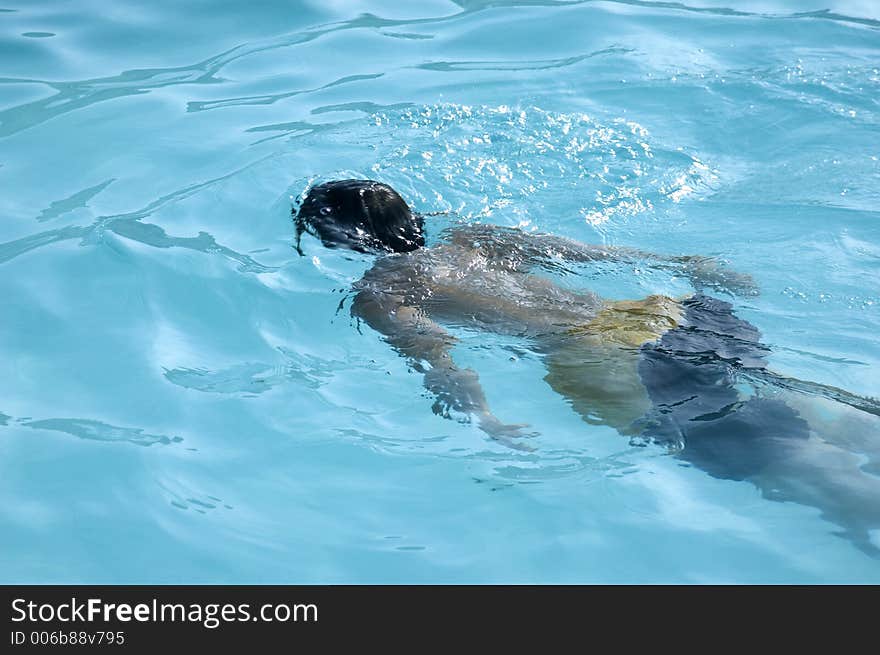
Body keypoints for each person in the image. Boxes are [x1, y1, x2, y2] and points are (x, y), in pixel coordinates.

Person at [295, 178, 880, 553]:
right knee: (809, 406)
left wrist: (484, 419)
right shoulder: (478, 238)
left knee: (791, 463)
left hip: (600, 356)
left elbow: (439, 359)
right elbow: (598, 254)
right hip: (664, 314)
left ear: (338, 240)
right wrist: (689, 263)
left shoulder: (383, 290)